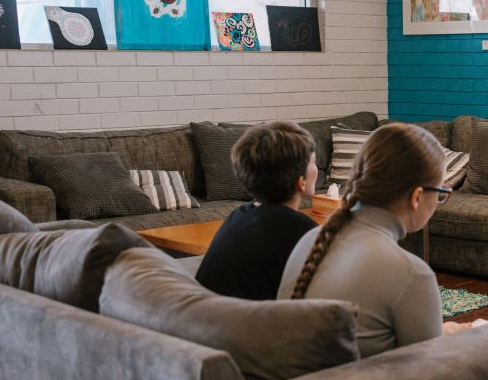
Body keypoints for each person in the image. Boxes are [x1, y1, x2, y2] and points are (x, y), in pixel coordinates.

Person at [278, 122, 470, 357]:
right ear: (417, 196)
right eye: (440, 193)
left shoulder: (308, 240)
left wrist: (441, 332)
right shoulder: (412, 274)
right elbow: (432, 374)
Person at [197, 121, 320, 301]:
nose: (317, 169)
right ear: (300, 182)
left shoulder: (239, 214)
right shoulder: (302, 229)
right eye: (314, 163)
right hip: (244, 325)